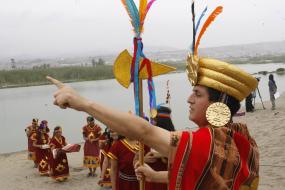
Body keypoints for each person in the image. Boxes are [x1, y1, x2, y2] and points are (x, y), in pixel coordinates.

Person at [47, 53, 259, 190]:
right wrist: (155, 176)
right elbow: (208, 174)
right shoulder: (239, 135)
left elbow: (145, 132)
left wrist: (83, 103)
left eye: (197, 93)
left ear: (218, 104)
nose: (189, 99)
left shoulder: (211, 141)